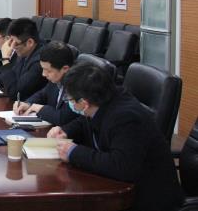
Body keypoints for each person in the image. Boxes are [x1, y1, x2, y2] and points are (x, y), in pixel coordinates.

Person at [48, 63, 184, 211]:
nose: (69, 103)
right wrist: (65, 131)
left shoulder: (126, 118)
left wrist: (74, 152)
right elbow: (85, 121)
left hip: (147, 198)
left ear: (84, 103)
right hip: (119, 186)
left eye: (70, 100)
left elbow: (121, 166)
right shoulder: (105, 98)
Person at [13, 41, 78, 126]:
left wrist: (39, 108)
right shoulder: (56, 78)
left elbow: (62, 117)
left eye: (48, 70)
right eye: (43, 69)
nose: (43, 74)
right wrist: (28, 103)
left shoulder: (77, 85)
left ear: (65, 69)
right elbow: (43, 94)